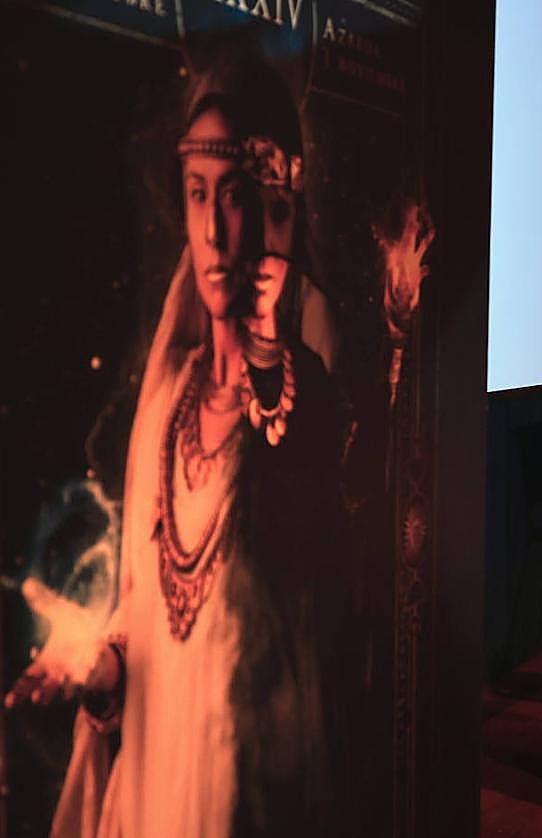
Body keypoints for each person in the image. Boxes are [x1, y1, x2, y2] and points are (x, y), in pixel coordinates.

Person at [6, 56, 346, 837]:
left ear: (270, 207)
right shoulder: (166, 404)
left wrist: (267, 346)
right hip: (165, 779)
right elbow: (146, 620)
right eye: (199, 196)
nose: (216, 229)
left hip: (255, 779)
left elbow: (312, 553)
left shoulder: (304, 393)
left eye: (237, 198)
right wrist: (96, 666)